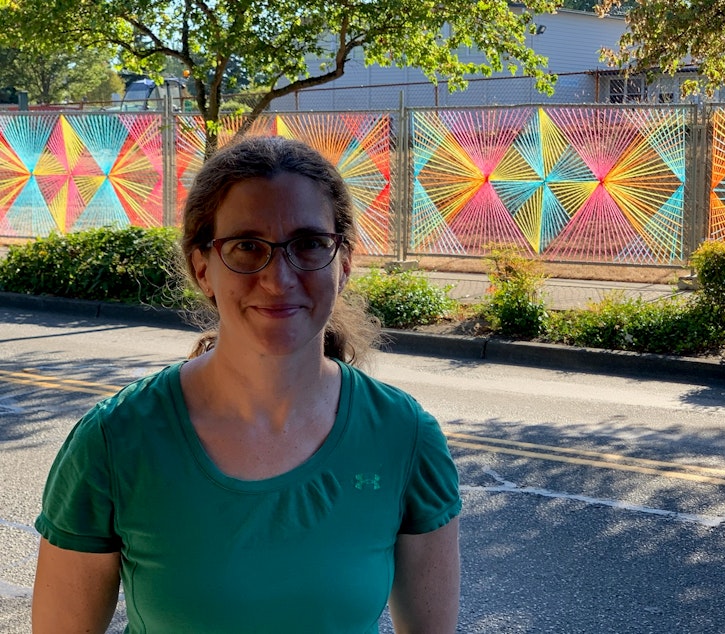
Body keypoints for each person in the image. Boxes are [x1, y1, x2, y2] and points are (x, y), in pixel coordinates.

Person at [31, 137, 462, 633]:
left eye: (309, 244)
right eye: (246, 247)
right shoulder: (114, 442)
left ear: (343, 263)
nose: (279, 279)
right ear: (202, 269)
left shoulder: (404, 438)